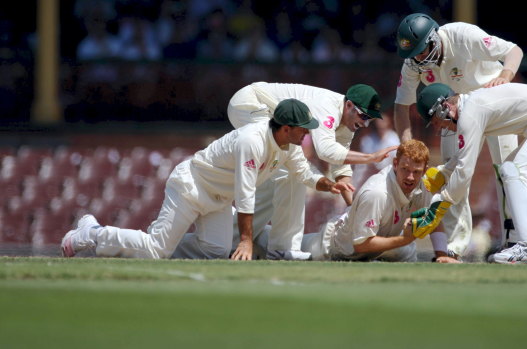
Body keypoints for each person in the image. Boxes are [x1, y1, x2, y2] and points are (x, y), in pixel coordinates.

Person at [61, 99, 354, 261]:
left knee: (214, 251)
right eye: (303, 129)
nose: (307, 134)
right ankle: (94, 232)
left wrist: (330, 185)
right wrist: (246, 241)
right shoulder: (253, 140)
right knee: (155, 251)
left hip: (218, 200)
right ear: (287, 127)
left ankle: (160, 239)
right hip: (191, 187)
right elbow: (246, 193)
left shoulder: (288, 145)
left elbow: (304, 173)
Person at [393, 13, 524, 258]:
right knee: (450, 176)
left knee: (507, 172)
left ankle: (515, 241)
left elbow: (514, 50)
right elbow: (402, 105)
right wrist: (407, 144)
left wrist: (505, 76)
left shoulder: (463, 36)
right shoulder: (412, 62)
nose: (419, 59)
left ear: (433, 38)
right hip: (453, 113)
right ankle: (455, 246)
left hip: (492, 102)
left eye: (422, 50)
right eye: (415, 54)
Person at [413, 82, 527, 264]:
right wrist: (443, 172)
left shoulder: (470, 113)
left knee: (516, 171)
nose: (443, 128)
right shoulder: (472, 107)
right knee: (508, 169)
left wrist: (439, 205)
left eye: (439, 122)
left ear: (445, 107)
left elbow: (465, 172)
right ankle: (521, 242)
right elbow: (464, 156)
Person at [226, 82, 397, 260]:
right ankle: (270, 246)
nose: (365, 123)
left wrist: (353, 209)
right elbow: (326, 150)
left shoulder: (348, 123)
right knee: (289, 170)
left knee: (287, 171)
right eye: (363, 116)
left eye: (370, 118)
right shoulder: (327, 107)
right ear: (349, 105)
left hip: (259, 107)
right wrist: (370, 157)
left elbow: (341, 166)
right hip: (249, 103)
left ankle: (259, 244)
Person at [301, 139, 460, 263]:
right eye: (405, 169)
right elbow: (361, 244)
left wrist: (442, 256)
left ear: (424, 170)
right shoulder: (377, 193)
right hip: (332, 247)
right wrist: (405, 238)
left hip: (376, 247)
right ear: (396, 164)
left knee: (407, 250)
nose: (410, 177)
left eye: (416, 172)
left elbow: (433, 218)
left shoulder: (422, 186)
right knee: (284, 246)